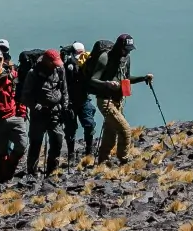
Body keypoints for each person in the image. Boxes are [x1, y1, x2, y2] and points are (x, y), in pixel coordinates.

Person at [83, 34, 152, 162]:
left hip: (118, 100)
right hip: (105, 100)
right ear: (119, 47)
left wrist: (143, 78)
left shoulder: (126, 59)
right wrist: (107, 83)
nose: (127, 52)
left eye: (129, 49)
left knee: (111, 131)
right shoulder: (105, 58)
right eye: (125, 49)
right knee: (125, 129)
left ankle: (103, 160)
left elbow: (126, 78)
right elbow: (92, 80)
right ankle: (124, 159)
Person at [0, 48, 29, 181]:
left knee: (22, 145)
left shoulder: (12, 74)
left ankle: (9, 167)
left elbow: (19, 95)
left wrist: (22, 113)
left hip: (14, 116)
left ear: (3, 60)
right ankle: (2, 179)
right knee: (1, 150)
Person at [23, 49, 69, 176]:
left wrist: (64, 108)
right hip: (39, 115)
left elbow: (64, 90)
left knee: (57, 141)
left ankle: (52, 171)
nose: (56, 65)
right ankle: (32, 172)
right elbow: (25, 96)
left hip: (56, 112)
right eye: (53, 62)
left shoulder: (60, 70)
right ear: (47, 61)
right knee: (36, 143)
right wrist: (37, 107)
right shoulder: (33, 73)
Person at [61, 42, 97, 163]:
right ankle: (71, 154)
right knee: (70, 129)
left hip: (83, 99)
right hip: (70, 101)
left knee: (89, 124)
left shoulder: (86, 63)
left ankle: (89, 152)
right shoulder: (67, 66)